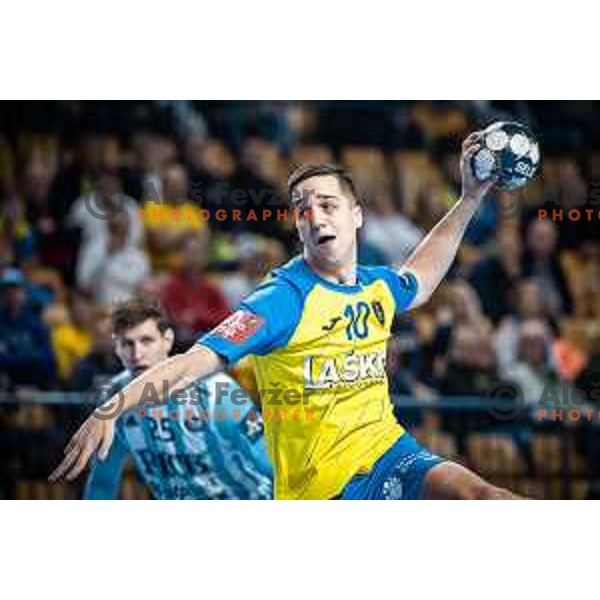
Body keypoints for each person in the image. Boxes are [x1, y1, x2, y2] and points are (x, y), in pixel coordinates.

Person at [50, 131, 519, 499]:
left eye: (327, 205)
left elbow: (420, 275)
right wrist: (114, 406)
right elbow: (193, 363)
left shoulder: (377, 286)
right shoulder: (281, 299)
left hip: (389, 454)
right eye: (302, 210)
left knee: (484, 497)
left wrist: (470, 198)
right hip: (320, 493)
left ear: (357, 216)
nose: (314, 216)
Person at [79, 299, 271, 499]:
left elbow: (272, 467)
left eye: (147, 341)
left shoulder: (218, 391)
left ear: (167, 340)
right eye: (127, 344)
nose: (137, 354)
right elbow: (102, 482)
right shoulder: (114, 397)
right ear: (116, 347)